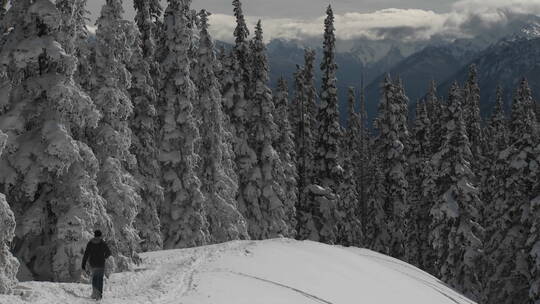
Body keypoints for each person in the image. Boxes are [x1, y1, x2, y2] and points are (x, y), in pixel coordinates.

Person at [82, 230, 112, 300]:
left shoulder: (90, 243)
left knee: (95, 278)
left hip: (93, 264)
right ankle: (99, 295)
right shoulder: (102, 243)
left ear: (94, 235)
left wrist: (83, 264)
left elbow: (86, 254)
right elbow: (109, 252)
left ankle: (95, 294)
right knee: (100, 279)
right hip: (101, 264)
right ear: (100, 235)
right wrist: (104, 257)